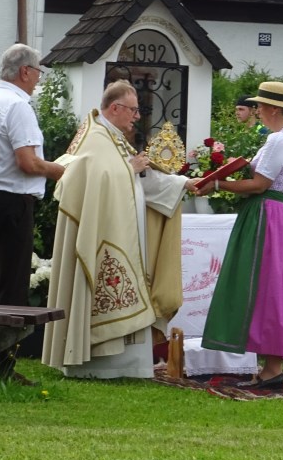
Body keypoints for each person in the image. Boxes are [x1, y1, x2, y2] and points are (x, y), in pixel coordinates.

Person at [42, 80, 199, 378]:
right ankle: (102, 364)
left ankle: (128, 364)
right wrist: (131, 169)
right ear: (115, 108)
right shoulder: (94, 138)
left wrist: (182, 184)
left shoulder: (112, 136)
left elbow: (138, 177)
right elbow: (93, 176)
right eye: (133, 110)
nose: (137, 116)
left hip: (121, 230)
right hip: (102, 234)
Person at [197, 81, 283, 390]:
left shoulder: (278, 141)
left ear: (272, 108)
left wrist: (217, 184)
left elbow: (259, 184)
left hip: (265, 215)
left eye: (260, 105)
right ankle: (270, 367)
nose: (257, 110)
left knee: (262, 284)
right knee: (268, 285)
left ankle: (272, 368)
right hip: (273, 214)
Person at [0, 43, 65, 381]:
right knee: (11, 287)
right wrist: (61, 171)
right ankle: (1, 367)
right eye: (38, 71)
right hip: (12, 199)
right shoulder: (18, 105)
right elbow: (27, 162)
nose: (39, 78)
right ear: (25, 71)